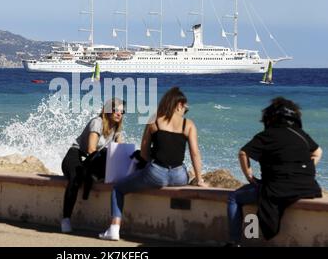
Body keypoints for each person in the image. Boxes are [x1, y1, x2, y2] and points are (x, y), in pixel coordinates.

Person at [99, 87, 207, 241]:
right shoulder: (188, 124)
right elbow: (195, 153)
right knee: (184, 170)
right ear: (179, 105)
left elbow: (144, 152)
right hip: (179, 177)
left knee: (117, 188)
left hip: (156, 174)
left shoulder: (154, 120)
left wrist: (153, 167)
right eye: (186, 108)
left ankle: (114, 229)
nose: (186, 111)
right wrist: (199, 179)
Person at [226, 97, 323, 246]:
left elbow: (243, 153)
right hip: (307, 188)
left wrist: (250, 176)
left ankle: (234, 242)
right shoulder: (300, 134)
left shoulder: (267, 135)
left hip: (277, 189)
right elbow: (318, 152)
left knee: (233, 197)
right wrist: (305, 169)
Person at [61, 98, 125, 233]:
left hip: (90, 161)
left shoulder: (116, 129)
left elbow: (120, 151)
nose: (119, 114)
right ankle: (66, 218)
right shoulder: (98, 122)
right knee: (76, 178)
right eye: (115, 110)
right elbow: (91, 149)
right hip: (76, 155)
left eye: (122, 111)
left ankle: (92, 176)